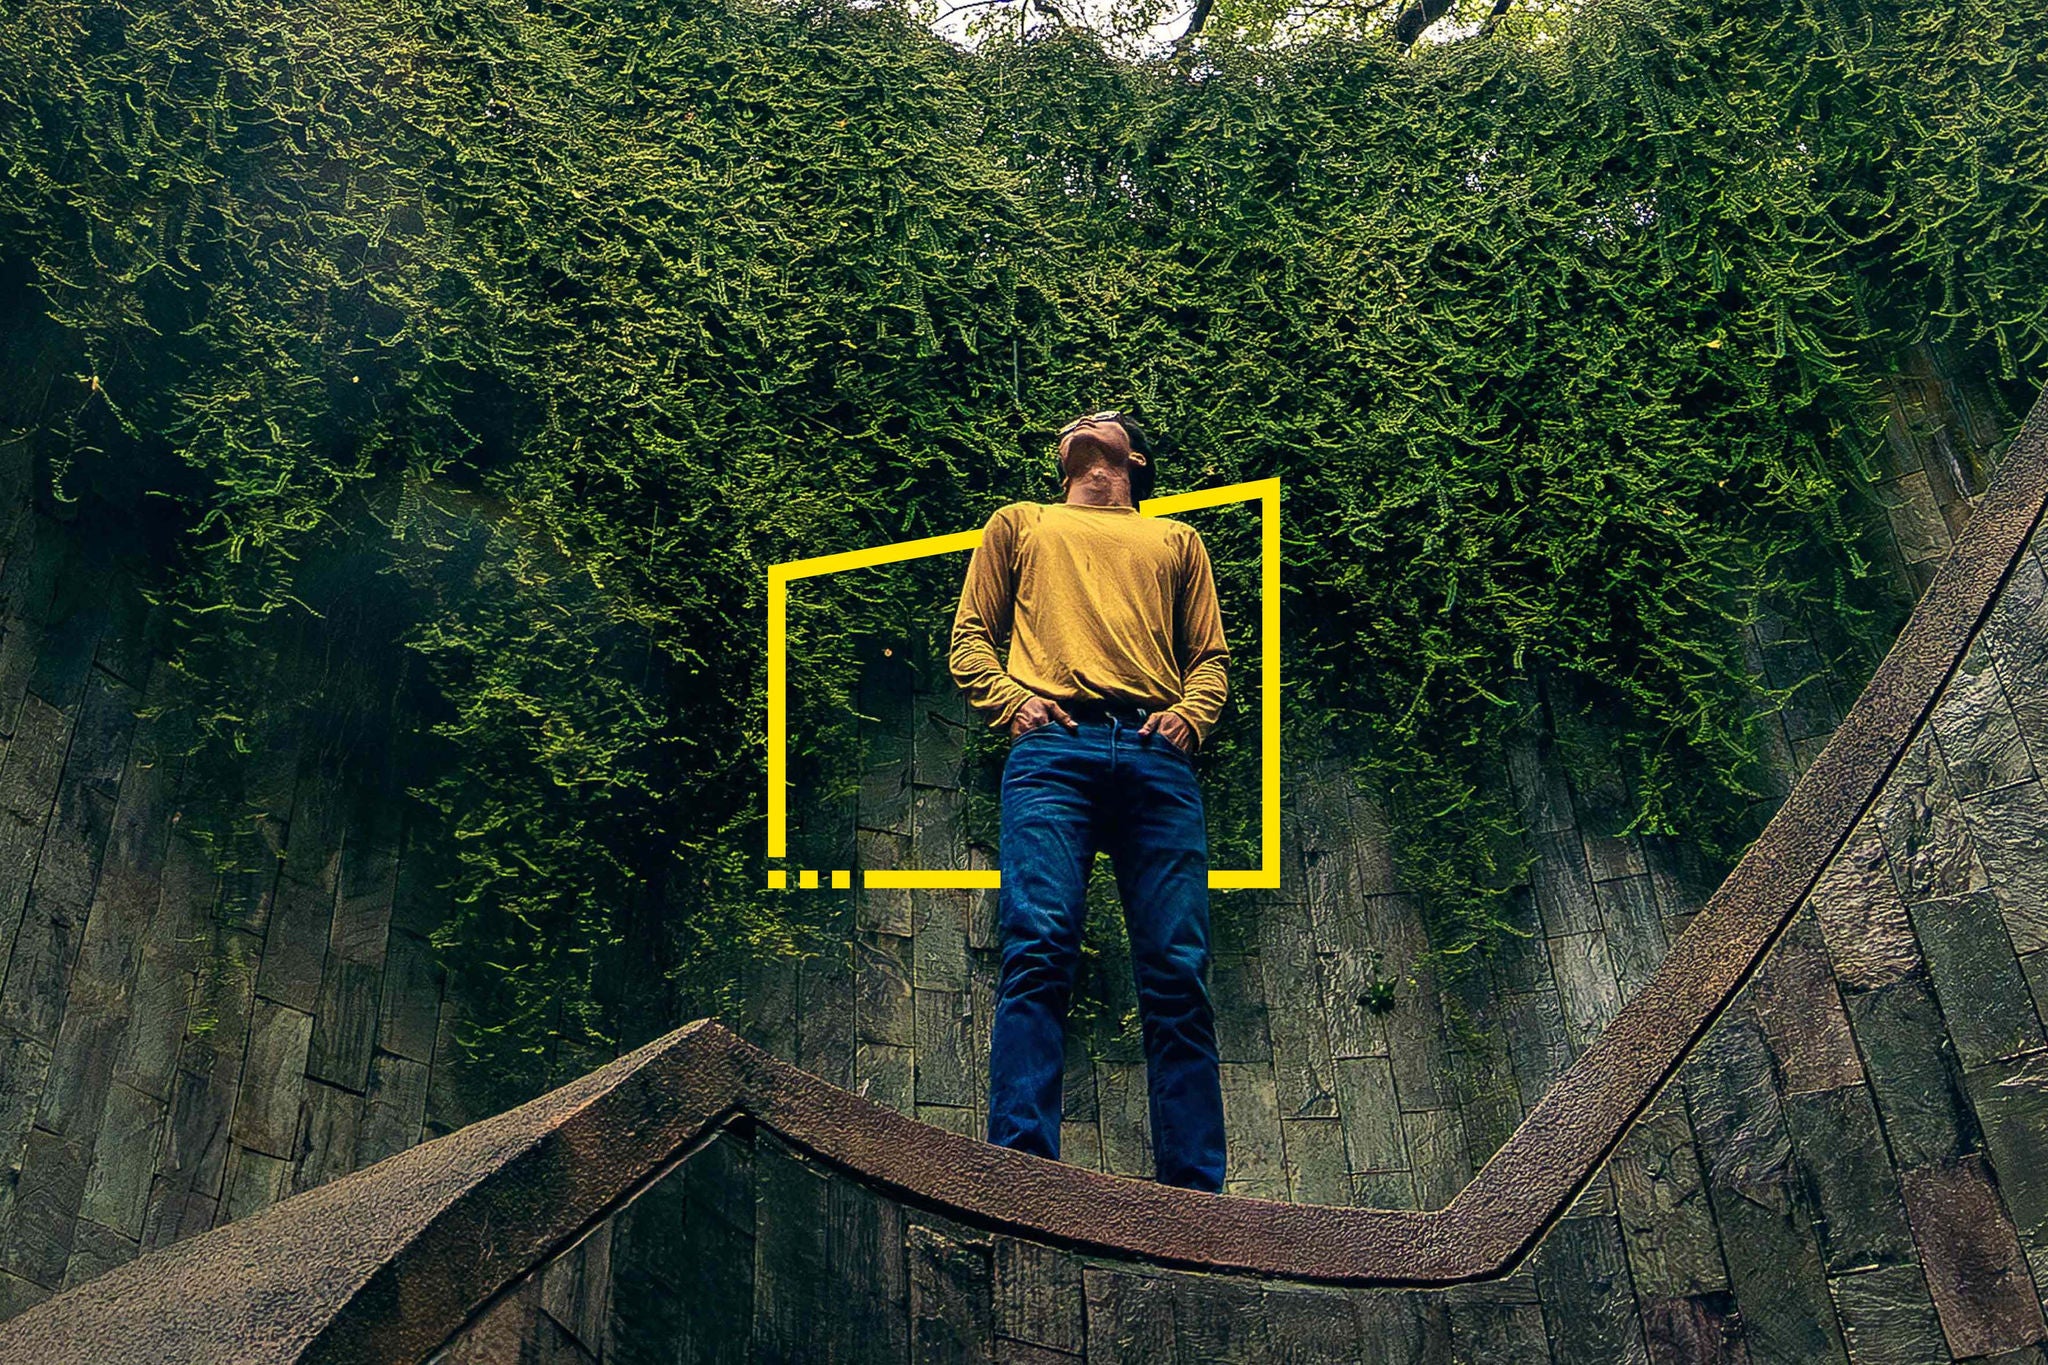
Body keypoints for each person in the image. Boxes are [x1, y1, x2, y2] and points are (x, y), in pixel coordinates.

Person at [948, 409, 1229, 1193]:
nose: (1083, 421)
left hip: (1154, 753)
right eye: (1074, 422)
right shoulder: (1020, 523)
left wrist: (1190, 715)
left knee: (1177, 970)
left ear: (1134, 456)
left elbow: (1209, 659)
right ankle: (1023, 1175)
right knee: (1037, 948)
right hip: (1052, 751)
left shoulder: (1177, 541)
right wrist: (1012, 702)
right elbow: (970, 636)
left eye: (1104, 421)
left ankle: (1196, 1197)